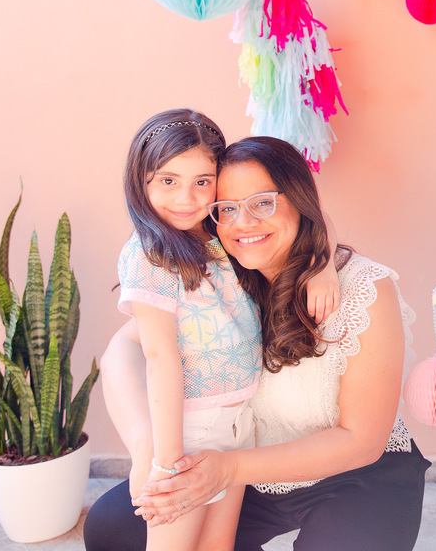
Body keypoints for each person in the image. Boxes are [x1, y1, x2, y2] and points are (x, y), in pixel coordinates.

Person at [85, 134, 428, 550]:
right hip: (249, 468)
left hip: (356, 476)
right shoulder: (221, 275)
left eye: (263, 203)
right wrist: (147, 446)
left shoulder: (362, 289)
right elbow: (122, 350)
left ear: (299, 201)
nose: (244, 223)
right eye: (227, 208)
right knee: (116, 526)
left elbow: (362, 441)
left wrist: (322, 260)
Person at [112, 111, 341, 550]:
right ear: (140, 181)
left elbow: (313, 218)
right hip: (189, 431)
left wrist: (323, 264)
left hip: (238, 426)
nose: (186, 198)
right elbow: (159, 357)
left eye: (202, 182)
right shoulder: (149, 254)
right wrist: (165, 460)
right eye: (168, 181)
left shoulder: (218, 234)